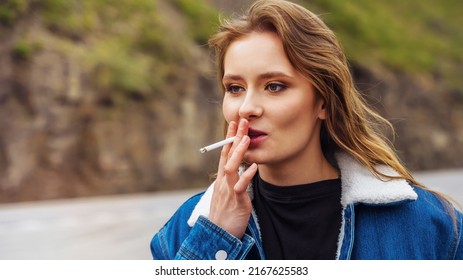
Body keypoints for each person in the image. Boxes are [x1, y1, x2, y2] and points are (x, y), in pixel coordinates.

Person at [150, 0, 463, 260]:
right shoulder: (183, 231)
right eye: (234, 88)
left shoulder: (431, 226)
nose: (247, 107)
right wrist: (213, 239)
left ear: (323, 102)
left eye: (274, 86)